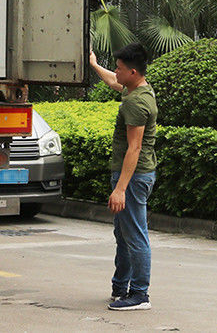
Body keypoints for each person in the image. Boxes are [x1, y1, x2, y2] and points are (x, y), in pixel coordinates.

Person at [89, 43, 158, 312]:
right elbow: (112, 81)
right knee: (124, 234)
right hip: (137, 176)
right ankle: (121, 288)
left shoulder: (136, 103)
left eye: (119, 68)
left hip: (133, 177)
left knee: (135, 236)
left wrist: (120, 189)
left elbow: (135, 148)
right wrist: (94, 65)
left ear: (132, 71)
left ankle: (140, 294)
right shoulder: (138, 89)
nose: (115, 72)